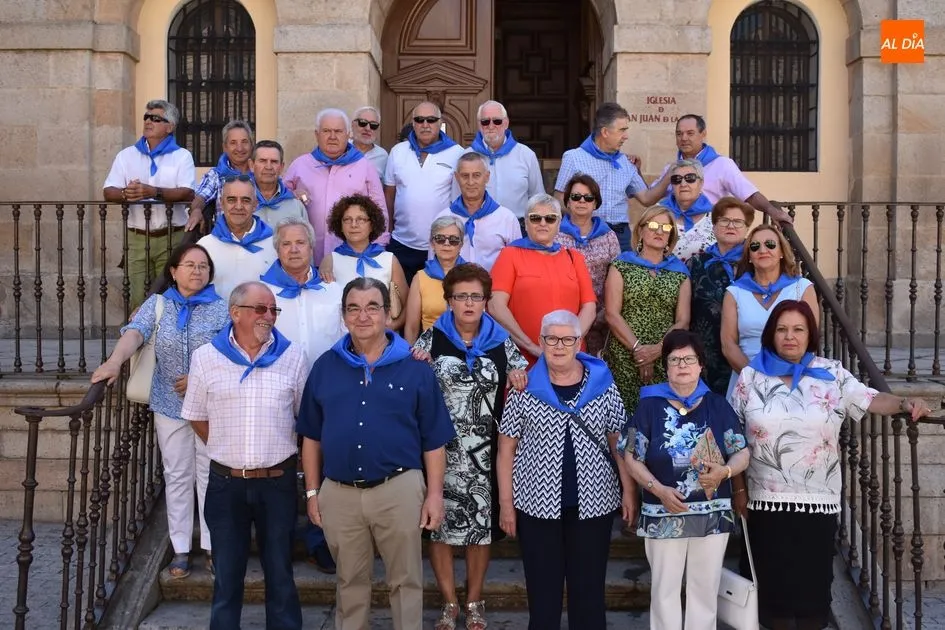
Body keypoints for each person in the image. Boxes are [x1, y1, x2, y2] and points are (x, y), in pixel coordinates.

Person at [729, 300, 930, 629]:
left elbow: (870, 398)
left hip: (817, 502)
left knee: (812, 596)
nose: (790, 336)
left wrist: (906, 402)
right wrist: (738, 490)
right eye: (782, 329)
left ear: (810, 334)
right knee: (773, 599)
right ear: (771, 335)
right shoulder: (751, 376)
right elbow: (733, 437)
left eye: (798, 329)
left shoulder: (831, 373)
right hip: (764, 502)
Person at [298, 277, 456, 630]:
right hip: (339, 493)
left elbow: (434, 439)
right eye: (353, 308)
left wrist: (434, 495)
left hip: (399, 489)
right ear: (343, 316)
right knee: (349, 583)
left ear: (387, 314)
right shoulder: (325, 367)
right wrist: (312, 492)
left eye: (372, 307)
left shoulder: (416, 367)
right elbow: (311, 436)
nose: (363, 316)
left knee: (405, 580)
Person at [90, 242, 227, 578]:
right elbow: (134, 334)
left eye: (203, 266)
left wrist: (200, 378)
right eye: (190, 265)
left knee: (210, 474)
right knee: (177, 473)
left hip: (210, 405)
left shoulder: (223, 308)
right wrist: (114, 361)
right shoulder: (158, 304)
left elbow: (231, 351)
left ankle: (213, 546)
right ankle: (181, 549)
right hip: (168, 402)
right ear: (174, 271)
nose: (197, 271)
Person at [497, 310, 635, 630]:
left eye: (567, 339)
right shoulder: (524, 387)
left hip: (594, 505)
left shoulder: (603, 385)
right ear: (541, 342)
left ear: (579, 342)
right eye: (551, 339)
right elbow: (506, 449)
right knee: (542, 598)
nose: (559, 346)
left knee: (589, 596)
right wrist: (506, 503)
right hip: (536, 506)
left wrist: (629, 490)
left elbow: (619, 442)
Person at [182, 281, 308, 630]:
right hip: (226, 484)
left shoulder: (293, 356)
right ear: (235, 313)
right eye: (260, 308)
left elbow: (304, 418)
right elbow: (195, 415)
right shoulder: (206, 357)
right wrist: (227, 446)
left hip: (277, 483)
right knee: (226, 575)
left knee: (280, 571)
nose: (269, 316)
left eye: (273, 310)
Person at [412, 264, 528, 630]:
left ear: (486, 301)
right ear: (448, 300)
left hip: (485, 454)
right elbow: (410, 381)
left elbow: (522, 376)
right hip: (439, 452)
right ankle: (449, 603)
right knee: (440, 529)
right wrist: (417, 365)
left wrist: (518, 375)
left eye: (476, 296)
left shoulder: (500, 340)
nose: (468, 303)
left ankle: (475, 601)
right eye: (460, 296)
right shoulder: (432, 339)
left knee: (481, 528)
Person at [622, 329, 750, 630]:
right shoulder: (649, 406)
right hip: (663, 510)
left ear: (701, 365)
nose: (682, 365)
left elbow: (741, 452)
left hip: (712, 514)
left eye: (689, 359)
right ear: (665, 366)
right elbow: (631, 456)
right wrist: (657, 489)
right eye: (674, 359)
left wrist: (725, 472)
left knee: (704, 591)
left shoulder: (717, 405)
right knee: (664, 591)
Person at [259, 217, 344, 574]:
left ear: (312, 248)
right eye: (286, 243)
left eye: (300, 243)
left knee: (324, 467)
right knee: (278, 468)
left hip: (326, 394)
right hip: (277, 392)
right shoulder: (264, 294)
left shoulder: (334, 290)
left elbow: (346, 339)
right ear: (277, 250)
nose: (294, 249)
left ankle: (319, 540)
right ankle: (277, 541)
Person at [103, 99, 195, 308]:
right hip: (137, 238)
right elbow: (108, 191)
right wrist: (126, 194)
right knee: (137, 297)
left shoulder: (182, 156)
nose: (148, 121)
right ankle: (139, 330)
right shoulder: (126, 156)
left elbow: (188, 192)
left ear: (169, 127)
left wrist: (154, 192)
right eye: (147, 117)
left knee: (170, 295)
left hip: (172, 236)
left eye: (156, 118)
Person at [604, 205, 691, 414]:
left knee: (661, 418)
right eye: (653, 225)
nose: (659, 231)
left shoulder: (680, 272)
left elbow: (683, 321)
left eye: (666, 228)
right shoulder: (621, 265)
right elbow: (612, 314)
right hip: (624, 357)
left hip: (665, 357)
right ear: (641, 230)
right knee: (624, 419)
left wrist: (657, 350)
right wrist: (639, 350)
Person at [489, 194, 597, 364]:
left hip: (570, 358)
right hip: (524, 358)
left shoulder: (574, 258)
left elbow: (589, 307)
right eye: (535, 218)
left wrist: (568, 344)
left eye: (550, 218)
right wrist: (531, 346)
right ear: (526, 223)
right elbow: (495, 306)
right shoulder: (510, 254)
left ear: (559, 224)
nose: (543, 223)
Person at [553, 102, 670, 252]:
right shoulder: (573, 157)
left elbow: (647, 199)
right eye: (622, 130)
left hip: (621, 236)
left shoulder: (626, 162)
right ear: (605, 132)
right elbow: (558, 199)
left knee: (624, 268)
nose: (626, 136)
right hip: (587, 232)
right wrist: (582, 215)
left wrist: (669, 175)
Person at [721, 223, 817, 396]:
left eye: (770, 244)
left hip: (792, 378)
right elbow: (728, 345)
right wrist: (755, 378)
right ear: (749, 256)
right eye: (755, 246)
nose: (762, 250)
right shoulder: (734, 292)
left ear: (781, 252)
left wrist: (780, 381)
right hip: (747, 378)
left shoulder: (802, 288)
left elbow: (810, 338)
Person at [284, 108, 389, 264]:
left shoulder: (364, 167)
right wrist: (292, 194)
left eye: (338, 131)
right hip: (307, 257)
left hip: (351, 257)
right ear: (317, 134)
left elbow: (379, 209)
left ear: (347, 135)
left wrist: (378, 247)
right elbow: (280, 198)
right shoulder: (300, 165)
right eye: (326, 131)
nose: (332, 137)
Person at [654, 114, 792, 225]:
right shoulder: (670, 169)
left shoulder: (722, 164)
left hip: (711, 235)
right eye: (679, 134)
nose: (684, 138)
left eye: (690, 133)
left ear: (703, 134)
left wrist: (772, 211)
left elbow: (750, 194)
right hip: (676, 235)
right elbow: (649, 197)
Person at [384, 101, 465, 284]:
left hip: (441, 245)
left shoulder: (456, 153)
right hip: (401, 243)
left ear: (440, 122)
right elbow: (389, 195)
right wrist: (388, 232)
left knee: (437, 297)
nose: (425, 124)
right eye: (420, 120)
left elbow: (461, 199)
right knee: (399, 297)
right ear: (413, 123)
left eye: (431, 120)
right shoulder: (398, 151)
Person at [687, 197, 754, 395]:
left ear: (746, 228)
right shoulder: (697, 262)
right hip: (706, 351)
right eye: (724, 220)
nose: (730, 226)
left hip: (745, 348)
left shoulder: (754, 262)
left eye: (738, 222)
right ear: (714, 226)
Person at [555, 174, 620, 356]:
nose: (582, 201)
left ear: (595, 203)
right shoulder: (554, 234)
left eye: (588, 197)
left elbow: (617, 277)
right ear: (568, 202)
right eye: (576, 197)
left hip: (600, 318)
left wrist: (605, 313)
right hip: (563, 316)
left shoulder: (609, 236)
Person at [323, 194, 409, 330]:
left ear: (372, 224)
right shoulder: (331, 260)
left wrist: (393, 327)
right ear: (340, 225)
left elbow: (408, 303)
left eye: (361, 219)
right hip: (342, 337)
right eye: (347, 220)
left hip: (380, 337)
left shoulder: (389, 259)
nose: (354, 225)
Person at [433, 152, 521, 271]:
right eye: (465, 176)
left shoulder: (507, 219)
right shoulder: (443, 218)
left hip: (494, 282)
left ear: (487, 177)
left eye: (476, 175)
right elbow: (433, 263)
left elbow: (517, 263)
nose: (470, 182)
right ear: (457, 178)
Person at [196, 175, 276, 301]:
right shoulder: (204, 246)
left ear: (255, 204)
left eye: (245, 200)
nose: (238, 206)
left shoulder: (274, 245)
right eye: (231, 200)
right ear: (222, 203)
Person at [466, 100, 543, 226]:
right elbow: (456, 198)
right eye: (485, 122)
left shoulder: (526, 155)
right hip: (478, 227)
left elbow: (537, 198)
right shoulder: (466, 156)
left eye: (497, 121)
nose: (491, 126)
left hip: (518, 227)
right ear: (479, 125)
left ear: (506, 123)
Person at [404, 216, 466, 345]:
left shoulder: (473, 276)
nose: (446, 244)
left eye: (453, 240)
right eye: (440, 239)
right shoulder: (420, 278)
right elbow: (411, 327)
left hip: (468, 346)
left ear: (461, 244)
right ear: (432, 243)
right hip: (430, 348)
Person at [186, 119, 254, 232]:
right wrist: (196, 210)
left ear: (251, 145)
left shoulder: (260, 173)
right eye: (233, 143)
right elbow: (200, 197)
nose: (240, 148)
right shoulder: (216, 175)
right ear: (225, 147)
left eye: (244, 142)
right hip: (225, 237)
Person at [659, 159, 716, 262]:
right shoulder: (658, 212)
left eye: (690, 178)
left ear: (701, 183)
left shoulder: (716, 215)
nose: (683, 184)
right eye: (677, 179)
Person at [250, 140, 307, 227]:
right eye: (263, 161)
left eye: (274, 161)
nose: (268, 167)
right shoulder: (241, 202)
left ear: (281, 167)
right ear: (251, 165)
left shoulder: (295, 206)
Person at [350, 105, 388, 182]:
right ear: (353, 124)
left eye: (373, 125)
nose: (368, 129)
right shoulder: (341, 149)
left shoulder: (383, 156)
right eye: (362, 123)